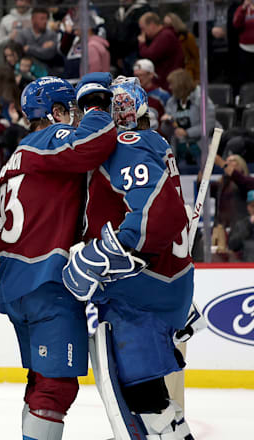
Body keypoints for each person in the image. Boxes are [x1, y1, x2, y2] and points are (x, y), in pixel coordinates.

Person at [65, 78, 197, 440]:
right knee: (146, 395)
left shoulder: (127, 145)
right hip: (166, 279)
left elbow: (156, 214)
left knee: (141, 394)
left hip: (140, 291)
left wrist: (112, 251)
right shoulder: (155, 142)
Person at [0, 75, 117, 440]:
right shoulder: (51, 137)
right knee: (55, 387)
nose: (77, 118)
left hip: (17, 281)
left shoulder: (15, 156)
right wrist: (96, 105)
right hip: (46, 278)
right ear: (57, 111)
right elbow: (94, 142)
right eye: (73, 110)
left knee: (40, 380)